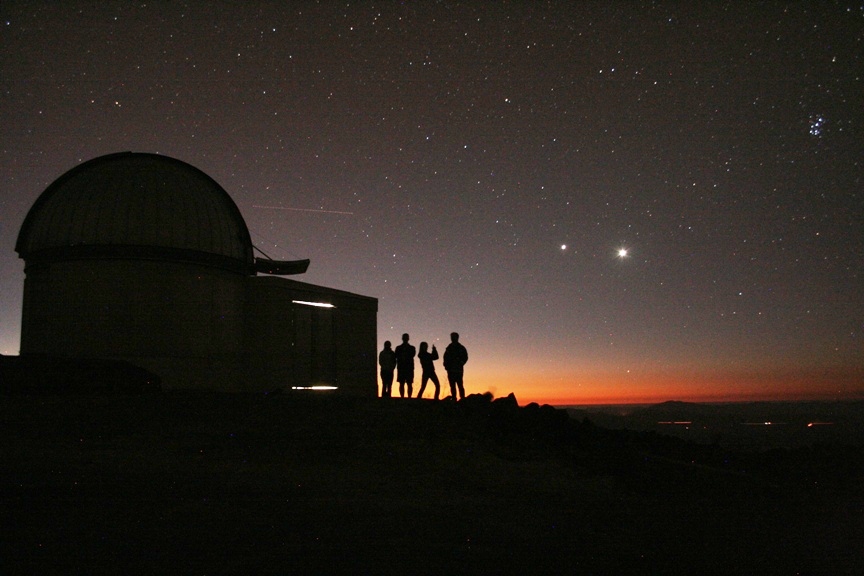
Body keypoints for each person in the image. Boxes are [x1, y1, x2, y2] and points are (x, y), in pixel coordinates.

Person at [443, 332, 468, 401]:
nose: (452, 338)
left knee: (460, 385)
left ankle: (462, 398)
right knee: (452, 386)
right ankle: (454, 398)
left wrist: (461, 362)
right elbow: (445, 357)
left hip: (458, 370)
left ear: (457, 338)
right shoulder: (449, 348)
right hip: (450, 370)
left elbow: (465, 357)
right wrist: (446, 365)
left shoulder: (461, 348)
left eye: (453, 337)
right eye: (451, 337)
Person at [394, 333, 416, 398]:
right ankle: (402, 397)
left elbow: (412, 354)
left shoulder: (412, 348)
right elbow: (396, 356)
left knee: (409, 383)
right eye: (404, 337)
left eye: (406, 337)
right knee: (402, 383)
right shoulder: (398, 348)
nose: (405, 339)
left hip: (409, 368)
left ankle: (409, 397)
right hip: (401, 368)